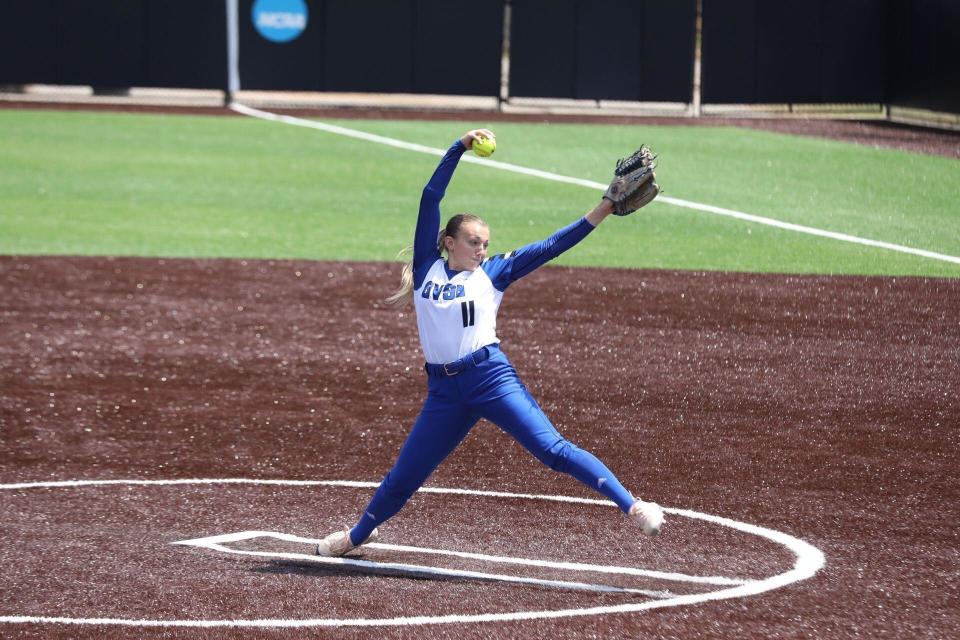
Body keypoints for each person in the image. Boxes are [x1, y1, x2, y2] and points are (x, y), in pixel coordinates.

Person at [316, 129, 663, 557]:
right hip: (444, 393)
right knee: (405, 476)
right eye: (473, 242)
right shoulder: (427, 269)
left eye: (485, 243)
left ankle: (634, 506)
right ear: (449, 242)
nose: (482, 249)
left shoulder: (494, 273)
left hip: (490, 379)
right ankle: (355, 536)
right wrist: (458, 148)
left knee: (552, 450)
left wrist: (606, 206)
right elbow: (430, 197)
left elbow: (555, 244)